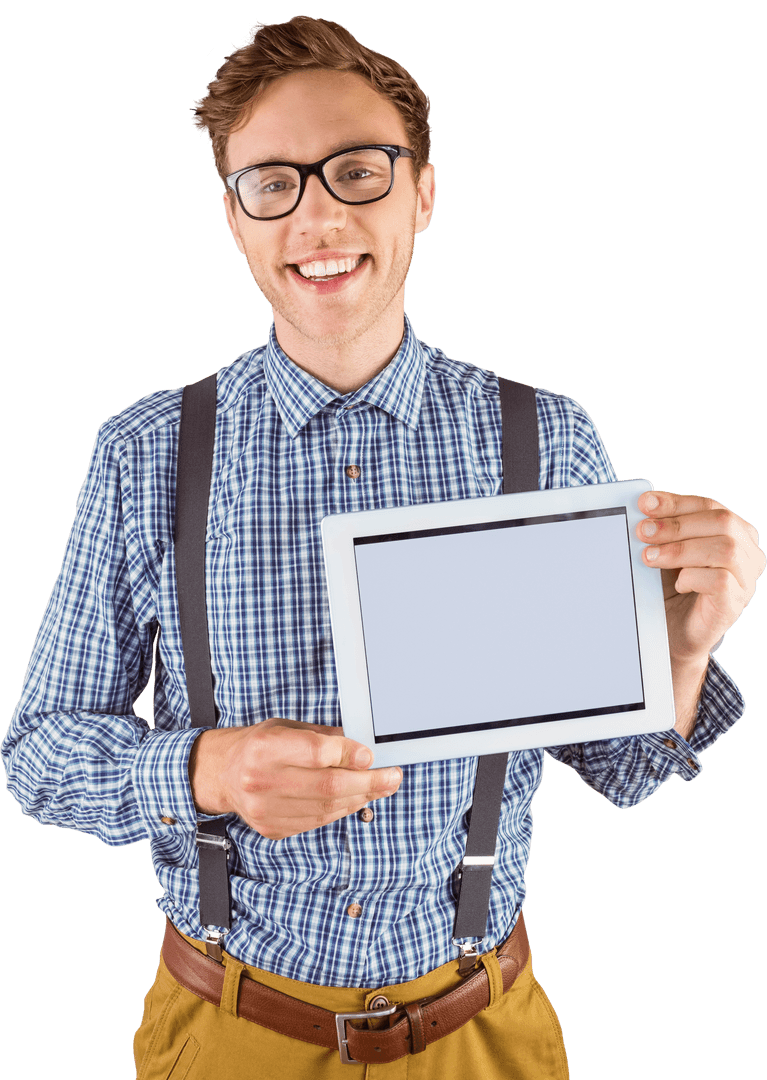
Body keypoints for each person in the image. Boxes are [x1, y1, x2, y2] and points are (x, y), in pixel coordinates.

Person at [2, 15, 763, 1079]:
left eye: (357, 171)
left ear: (422, 194)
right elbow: (36, 754)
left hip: (482, 1031)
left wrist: (678, 649)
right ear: (234, 218)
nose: (316, 213)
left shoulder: (544, 441)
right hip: (229, 1031)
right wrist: (206, 769)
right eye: (272, 182)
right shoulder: (146, 453)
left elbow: (621, 771)